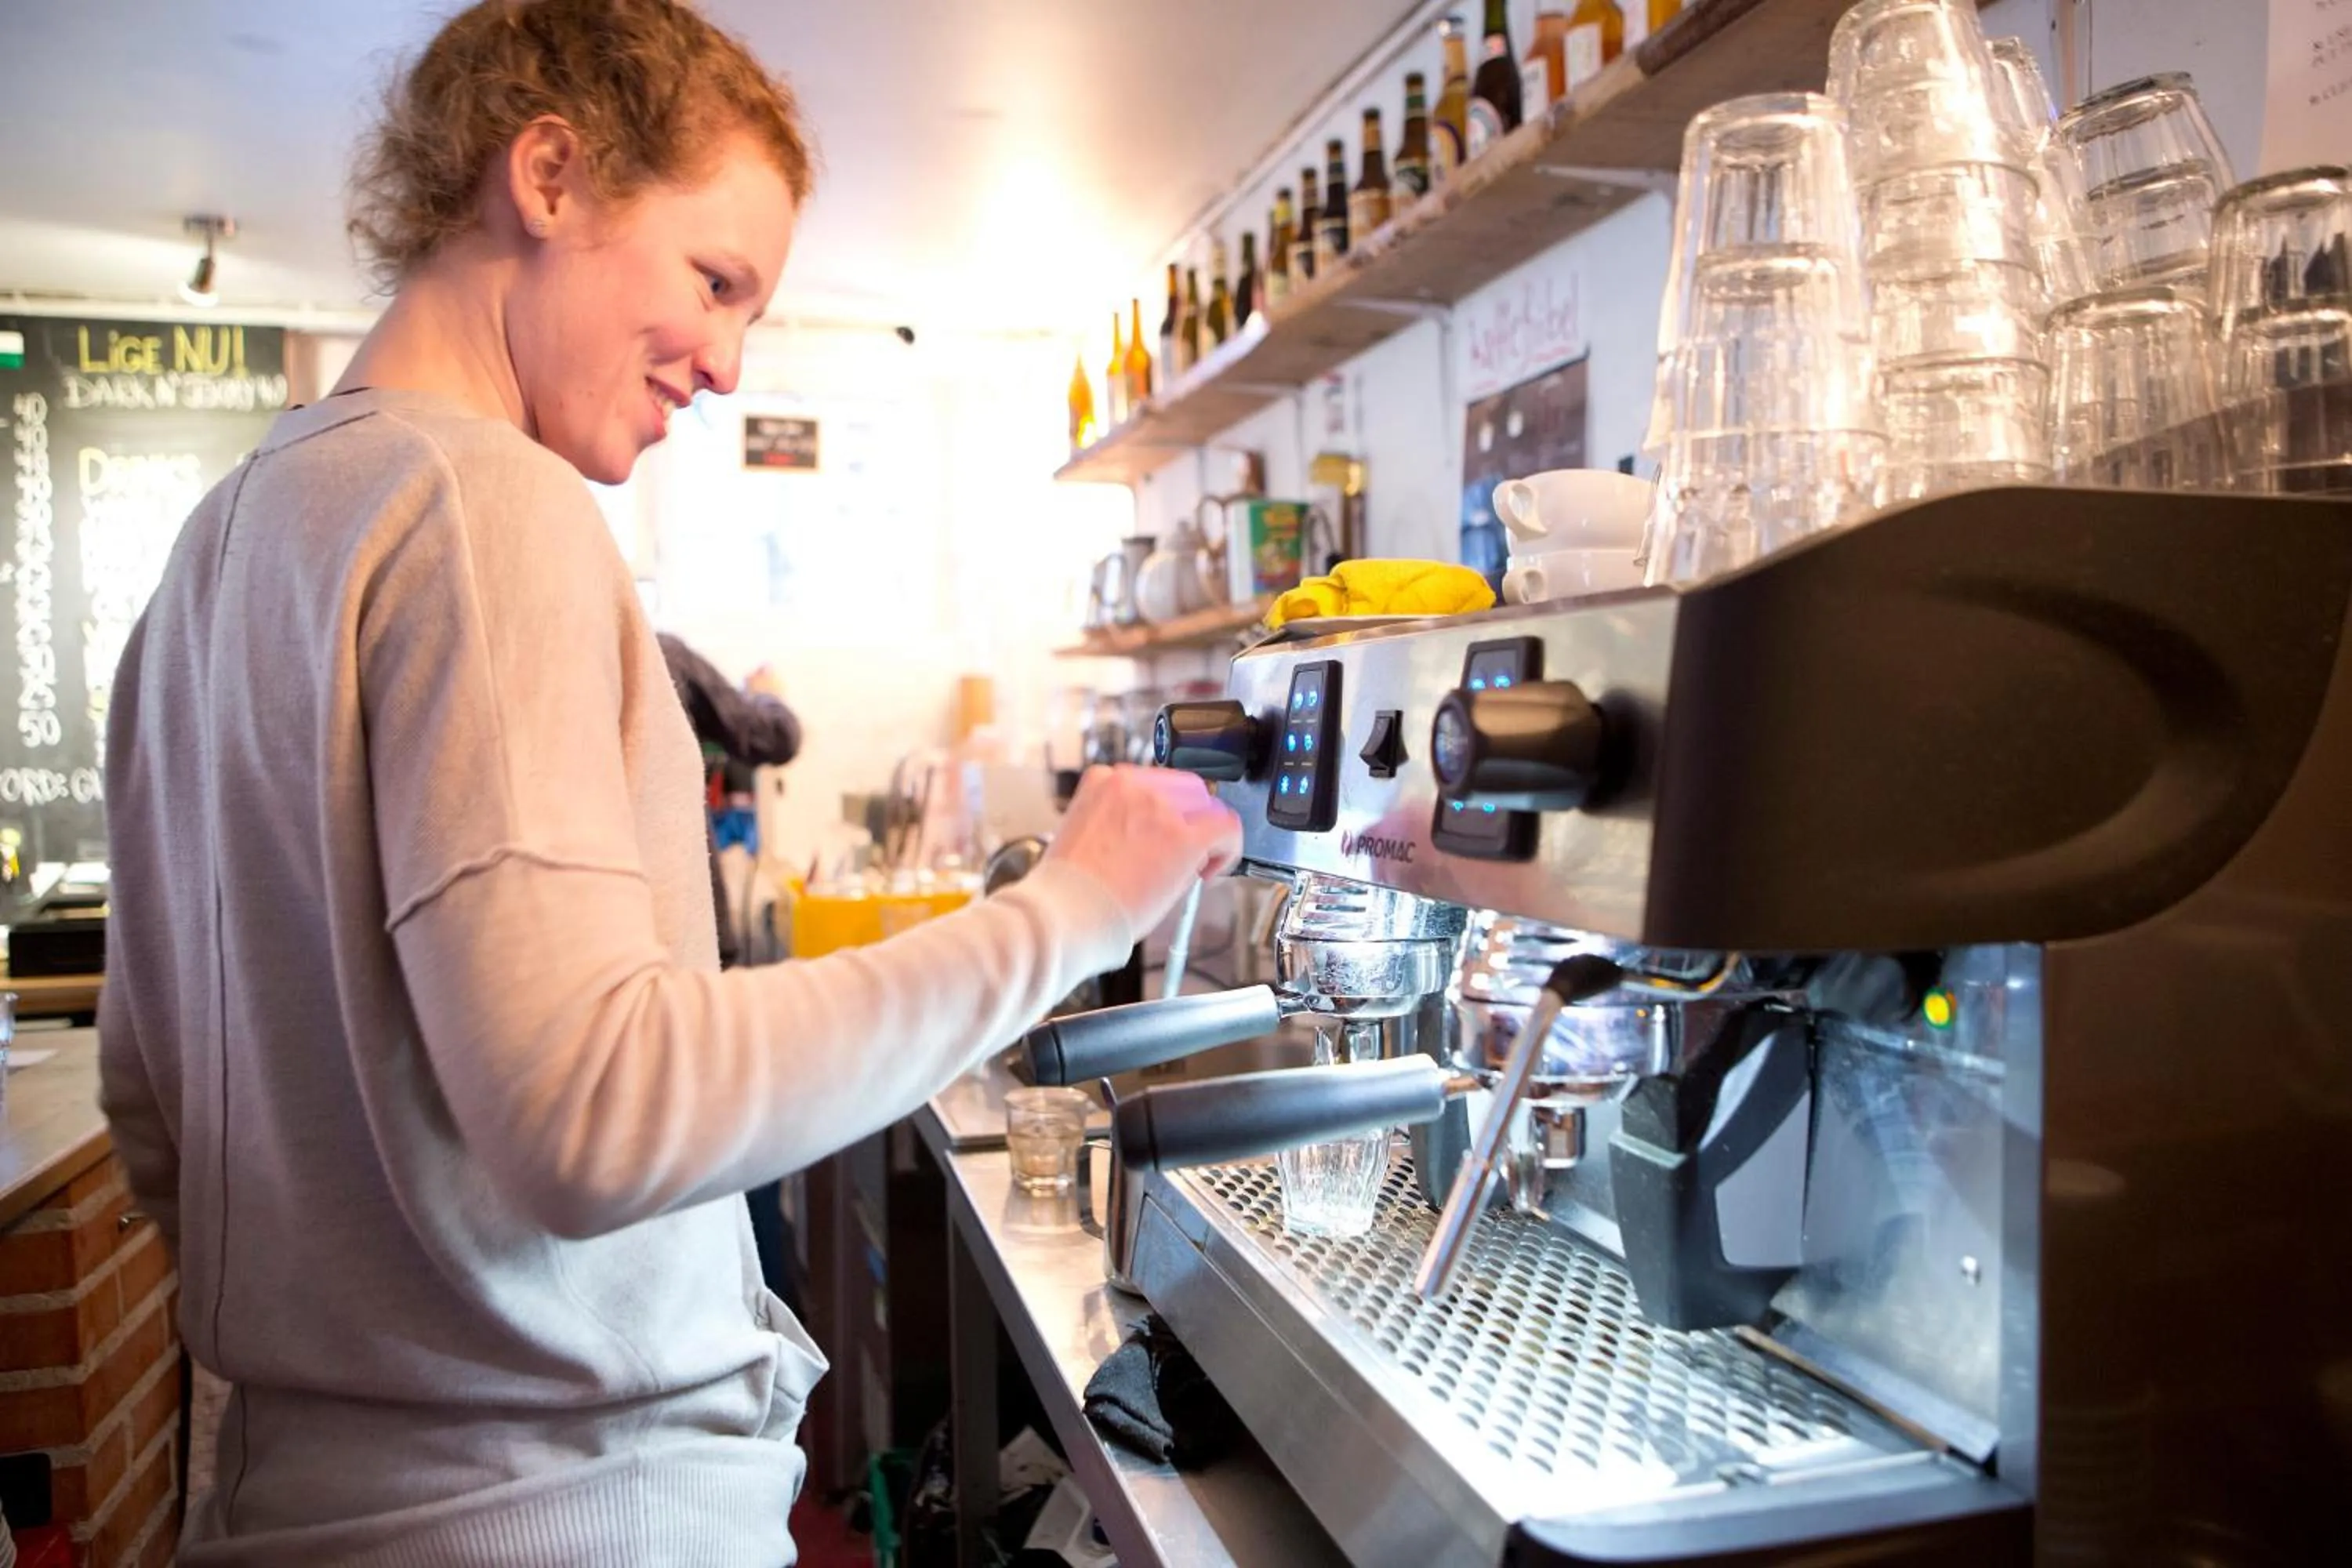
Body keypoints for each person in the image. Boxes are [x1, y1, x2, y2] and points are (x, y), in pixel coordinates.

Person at [95, 2, 1241, 1563]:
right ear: (550, 176)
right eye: (715, 281)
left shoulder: (206, 566)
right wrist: (1072, 907)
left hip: (283, 1499)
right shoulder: (481, 499)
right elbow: (598, 1109)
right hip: (565, 1514)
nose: (726, 361)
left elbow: (152, 1109)